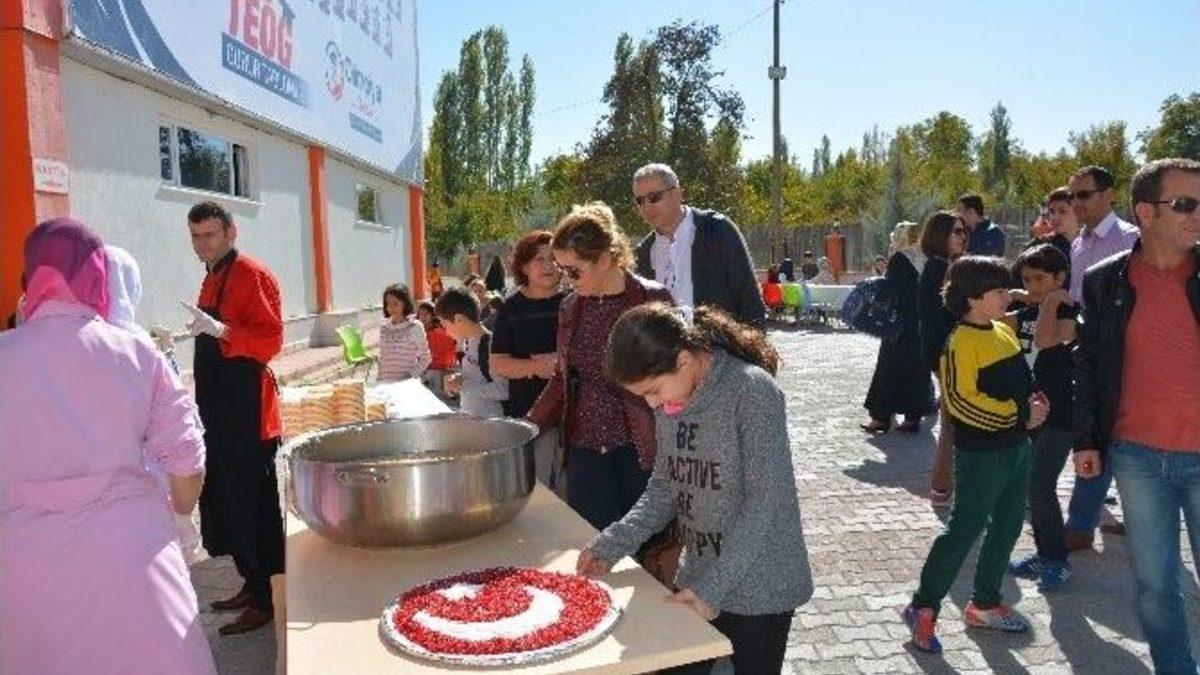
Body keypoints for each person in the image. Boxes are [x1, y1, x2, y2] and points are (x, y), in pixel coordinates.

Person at [0, 218, 216, 674]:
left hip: (24, 570)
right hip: (133, 560)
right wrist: (174, 505)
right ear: (96, 275)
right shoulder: (137, 354)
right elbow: (186, 474)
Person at [578, 303, 812, 675]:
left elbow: (764, 503)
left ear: (685, 360)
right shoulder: (671, 399)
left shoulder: (751, 391)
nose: (652, 403)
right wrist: (612, 543)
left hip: (762, 585)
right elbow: (664, 487)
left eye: (653, 391)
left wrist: (711, 589)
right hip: (701, 576)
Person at [1073, 158, 1200, 674]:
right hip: (1137, 458)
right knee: (1155, 587)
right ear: (1146, 212)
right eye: (1186, 204)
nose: (1198, 215)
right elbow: (1088, 363)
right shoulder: (1105, 281)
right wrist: (1086, 439)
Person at [902, 256, 1049, 654]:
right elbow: (961, 403)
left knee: (1008, 525)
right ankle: (922, 607)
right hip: (981, 456)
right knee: (964, 530)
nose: (1008, 295)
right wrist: (1020, 415)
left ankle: (984, 604)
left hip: (1016, 449)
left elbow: (1022, 379)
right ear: (971, 298)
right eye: (999, 291)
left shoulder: (1002, 331)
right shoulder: (960, 343)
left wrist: (1035, 400)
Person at [526, 202, 675, 533]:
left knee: (647, 545)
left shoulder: (651, 300)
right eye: (562, 269)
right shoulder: (570, 307)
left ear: (606, 259)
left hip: (642, 448)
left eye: (574, 271)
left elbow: (675, 378)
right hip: (585, 451)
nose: (566, 280)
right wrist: (529, 425)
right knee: (592, 540)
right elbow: (563, 377)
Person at [181, 201, 284, 636]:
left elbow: (270, 340)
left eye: (209, 235)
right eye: (195, 236)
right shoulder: (212, 274)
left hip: (248, 413)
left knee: (255, 506)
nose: (202, 244)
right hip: (219, 411)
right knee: (228, 500)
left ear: (230, 232)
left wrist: (223, 332)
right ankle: (251, 581)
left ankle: (269, 597)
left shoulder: (250, 274)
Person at [105, 245, 204, 565]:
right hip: (145, 502)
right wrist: (183, 514)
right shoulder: (141, 351)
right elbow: (185, 444)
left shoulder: (58, 348)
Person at [1063, 164, 1141, 552]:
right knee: (1093, 432)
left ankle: (1082, 524)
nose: (1076, 203)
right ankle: (1085, 523)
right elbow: (1079, 300)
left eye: (1084, 195)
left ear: (1109, 195)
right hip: (1088, 352)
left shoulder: (1131, 240)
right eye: (1072, 196)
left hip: (1124, 359)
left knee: (1109, 434)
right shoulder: (1078, 244)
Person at [1003, 245, 1078, 592]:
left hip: (1061, 415)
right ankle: (1045, 552)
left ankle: (1057, 560)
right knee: (1031, 486)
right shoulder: (1026, 308)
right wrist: (1014, 296)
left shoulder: (1067, 310)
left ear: (1060, 278)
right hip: (1032, 414)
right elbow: (987, 322)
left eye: (1040, 279)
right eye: (1026, 279)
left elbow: (1047, 341)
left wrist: (1048, 303)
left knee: (1040, 484)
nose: (1031, 286)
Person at [631, 163, 766, 327]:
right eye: (640, 201)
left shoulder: (716, 230)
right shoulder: (643, 253)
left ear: (678, 193)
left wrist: (753, 341)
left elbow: (749, 297)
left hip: (721, 341)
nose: (647, 206)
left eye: (653, 197)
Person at [490, 231, 567, 493]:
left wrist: (559, 362)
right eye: (539, 259)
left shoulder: (574, 302)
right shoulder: (511, 308)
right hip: (531, 416)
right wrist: (536, 367)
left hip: (573, 418)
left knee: (571, 496)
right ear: (524, 266)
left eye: (553, 258)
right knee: (537, 491)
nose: (548, 266)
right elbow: (498, 364)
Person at [862, 222, 934, 433]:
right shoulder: (926, 258)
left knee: (889, 368)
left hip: (900, 323)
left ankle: (881, 417)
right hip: (921, 322)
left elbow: (892, 291)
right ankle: (912, 418)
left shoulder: (900, 258)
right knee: (917, 369)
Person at [918, 212, 968, 508]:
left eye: (963, 231)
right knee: (951, 422)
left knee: (952, 421)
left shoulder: (942, 266)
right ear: (940, 236)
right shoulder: (939, 268)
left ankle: (944, 487)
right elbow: (944, 315)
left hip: (943, 351)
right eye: (956, 231)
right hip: (946, 353)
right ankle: (942, 489)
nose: (962, 236)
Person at [435, 288, 508, 417]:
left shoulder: (492, 346)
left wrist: (463, 386)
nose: (445, 332)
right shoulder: (468, 342)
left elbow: (504, 390)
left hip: (490, 423)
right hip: (472, 420)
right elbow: (477, 376)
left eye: (445, 326)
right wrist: (457, 379)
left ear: (459, 319)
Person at [377, 283, 431, 382]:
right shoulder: (383, 328)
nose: (391, 307)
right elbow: (382, 358)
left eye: (395, 303)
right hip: (385, 384)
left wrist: (409, 377)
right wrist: (379, 381)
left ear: (405, 303)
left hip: (407, 386)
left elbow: (426, 358)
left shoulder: (415, 327)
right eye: (388, 303)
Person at [417, 300, 457, 397]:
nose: (422, 317)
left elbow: (448, 354)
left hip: (438, 371)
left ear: (432, 315)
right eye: (420, 315)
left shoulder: (440, 332)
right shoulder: (418, 331)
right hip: (424, 371)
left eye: (426, 314)